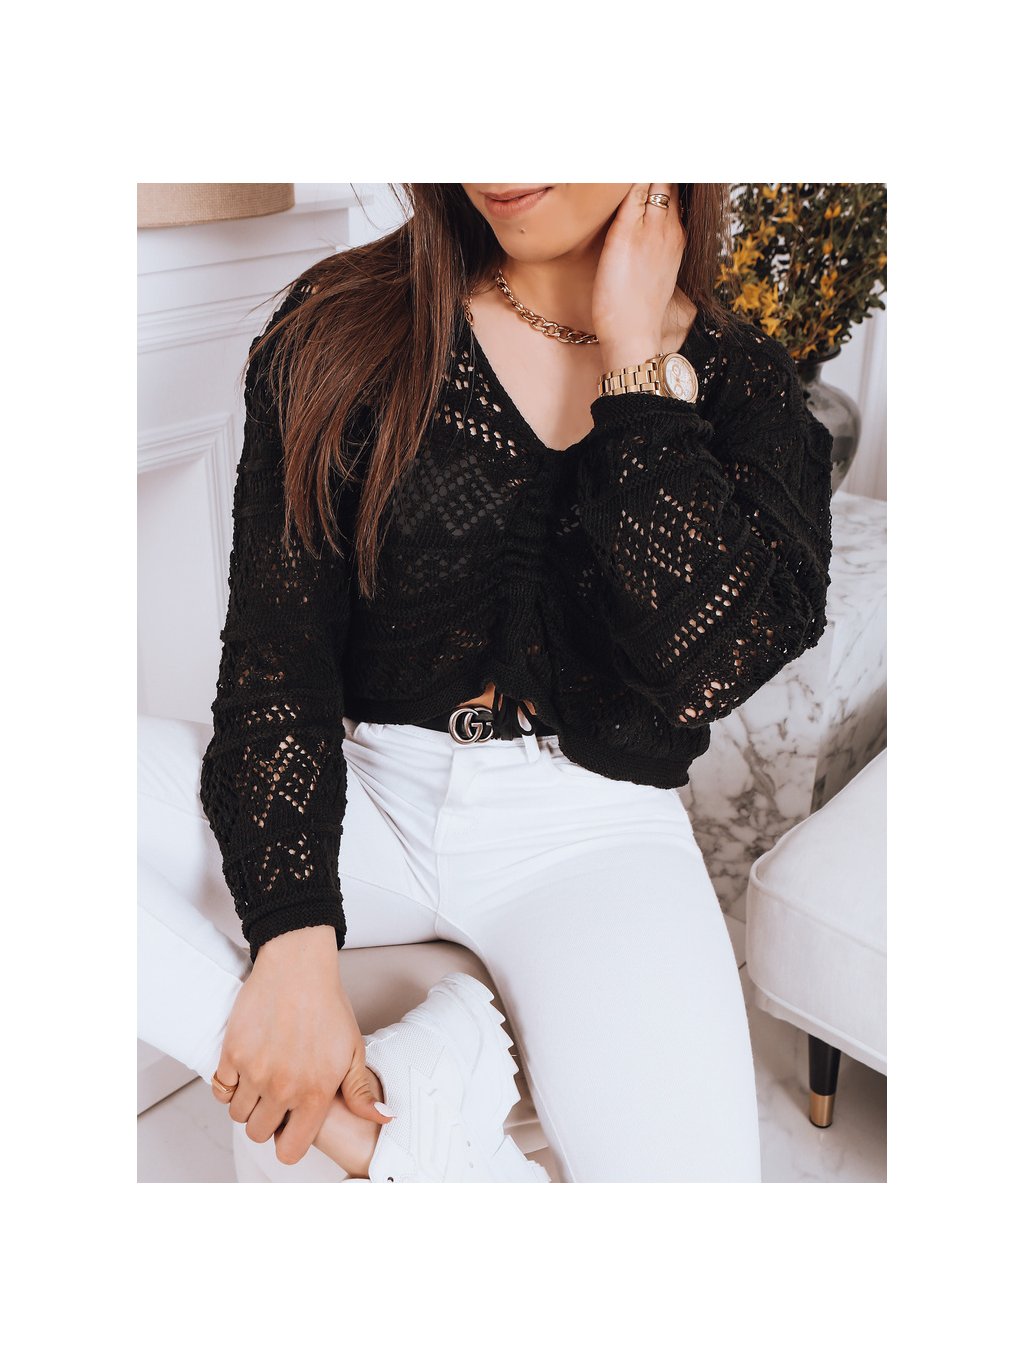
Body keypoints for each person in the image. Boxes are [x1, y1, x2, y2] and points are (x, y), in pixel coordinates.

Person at [138, 183, 834, 1182]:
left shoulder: (744, 385)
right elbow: (276, 662)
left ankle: (407, 1139)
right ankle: (380, 1136)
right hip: (364, 793)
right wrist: (292, 945)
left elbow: (701, 669)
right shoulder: (344, 324)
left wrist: (636, 364)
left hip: (591, 832)